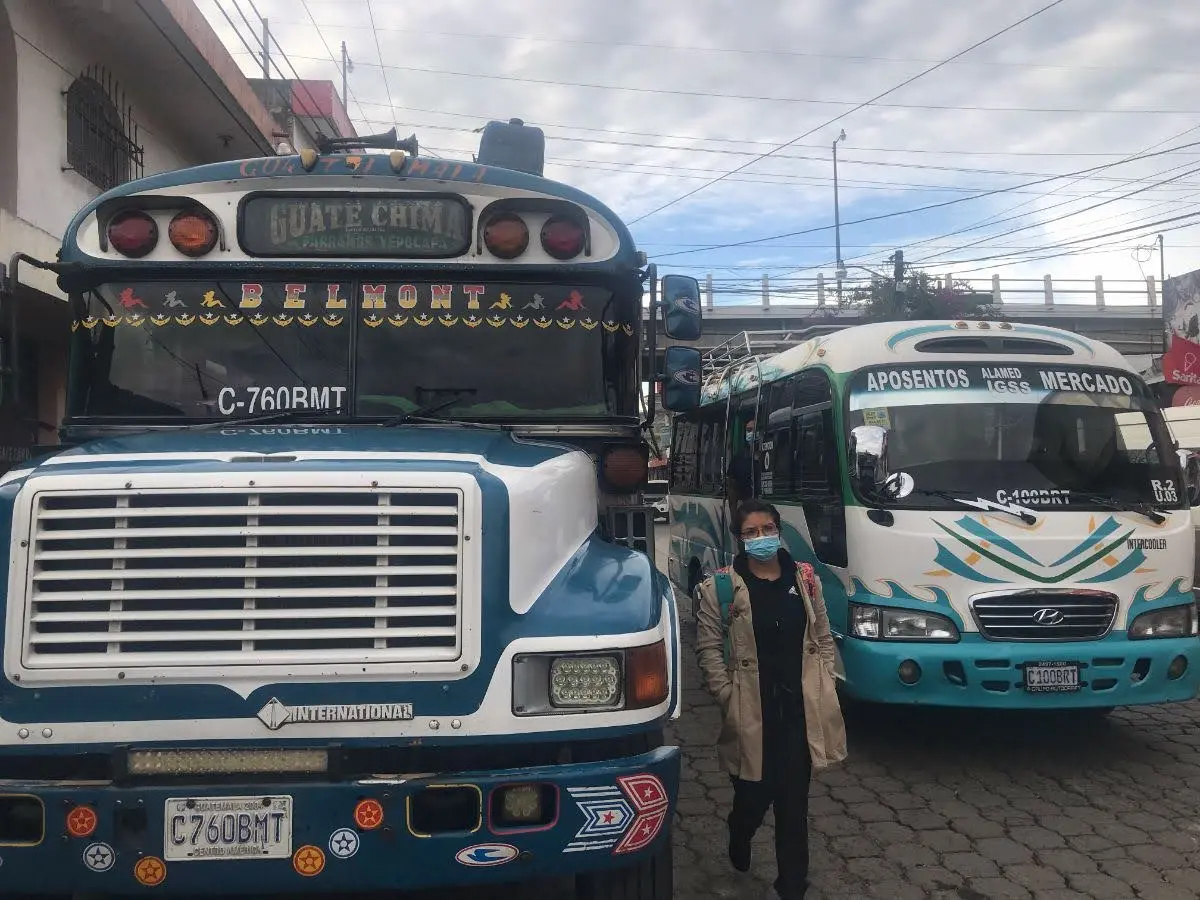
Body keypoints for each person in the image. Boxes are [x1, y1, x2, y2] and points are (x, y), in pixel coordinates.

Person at [695, 499, 847, 899]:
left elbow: (823, 637)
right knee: (753, 795)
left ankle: (792, 885)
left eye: (767, 529)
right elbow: (709, 648)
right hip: (750, 711)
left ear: (779, 530)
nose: (760, 538)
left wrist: (825, 680)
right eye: (750, 532)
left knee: (793, 806)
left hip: (798, 710)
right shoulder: (721, 587)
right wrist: (726, 695)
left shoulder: (806, 580)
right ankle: (739, 831)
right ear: (739, 539)